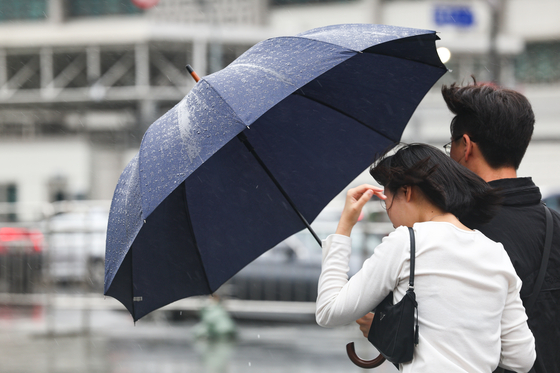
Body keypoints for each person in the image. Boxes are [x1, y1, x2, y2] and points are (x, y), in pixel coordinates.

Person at [316, 144, 535, 372]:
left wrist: (344, 226)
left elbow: (328, 312)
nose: (388, 212)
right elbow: (521, 359)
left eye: (386, 201)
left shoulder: (406, 242)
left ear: (406, 192)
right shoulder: (495, 252)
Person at [441, 80, 560, 373]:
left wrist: (385, 329)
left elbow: (446, 346)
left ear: (466, 146)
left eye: (450, 146)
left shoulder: (456, 231)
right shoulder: (555, 225)